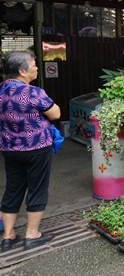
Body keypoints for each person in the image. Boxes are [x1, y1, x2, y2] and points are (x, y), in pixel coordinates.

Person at [0, 51, 60, 251]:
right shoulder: (33, 92)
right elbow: (55, 113)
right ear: (21, 71)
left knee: (13, 188)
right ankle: (32, 234)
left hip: (9, 149)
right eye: (33, 64)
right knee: (37, 188)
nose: (36, 67)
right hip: (36, 148)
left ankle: (8, 236)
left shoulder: (1, 91)